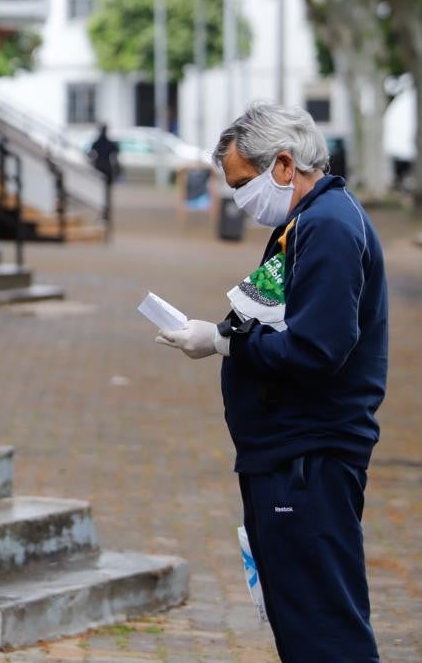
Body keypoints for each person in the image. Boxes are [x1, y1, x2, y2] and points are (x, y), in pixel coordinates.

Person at [155, 102, 386, 662]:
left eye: (242, 183)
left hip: (308, 458)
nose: (239, 199)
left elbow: (316, 349)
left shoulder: (328, 228)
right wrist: (221, 333)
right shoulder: (305, 225)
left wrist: (222, 341)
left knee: (323, 629)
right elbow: (270, 314)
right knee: (302, 619)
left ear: (283, 166)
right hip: (287, 455)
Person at [87, 124, 120, 240]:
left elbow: (90, 155)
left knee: (99, 195)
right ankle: (106, 216)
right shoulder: (111, 143)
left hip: (98, 170)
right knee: (107, 196)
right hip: (108, 170)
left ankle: (101, 215)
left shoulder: (96, 142)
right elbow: (116, 157)